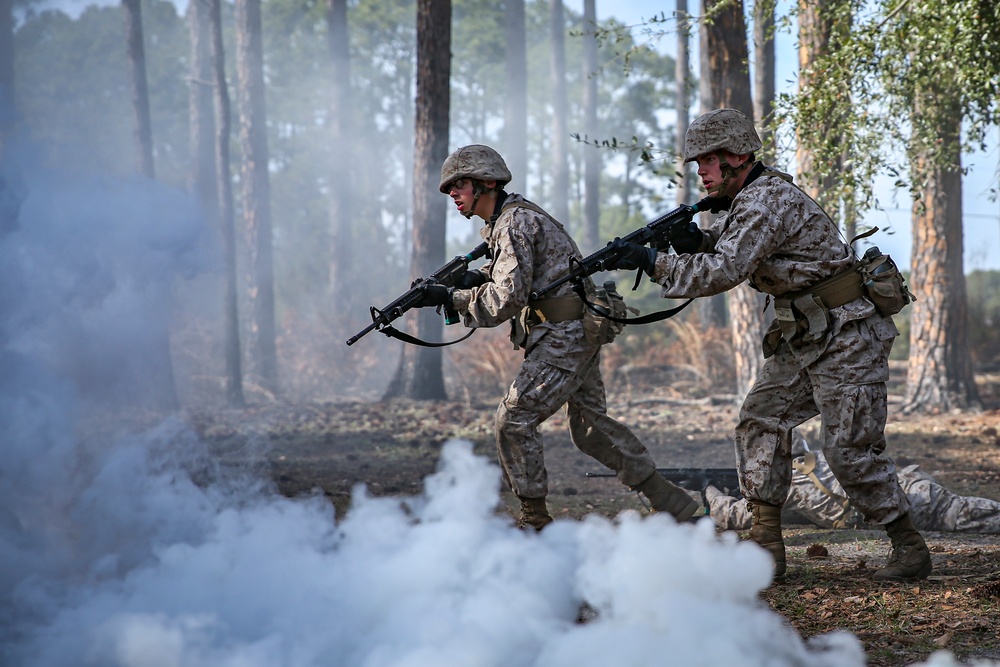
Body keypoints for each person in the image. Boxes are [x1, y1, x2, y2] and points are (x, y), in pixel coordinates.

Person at [600, 109, 932, 581]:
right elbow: (731, 248)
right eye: (697, 164)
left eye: (707, 161)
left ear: (737, 156)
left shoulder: (764, 200)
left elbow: (723, 270)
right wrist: (693, 239)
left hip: (849, 333)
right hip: (807, 333)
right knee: (761, 420)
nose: (701, 172)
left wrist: (654, 262)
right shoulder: (749, 201)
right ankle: (766, 546)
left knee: (848, 451)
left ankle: (908, 546)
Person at [413, 144, 699, 530]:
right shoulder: (511, 221)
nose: (452, 194)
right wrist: (473, 280)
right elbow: (525, 280)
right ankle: (668, 499)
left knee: (513, 420)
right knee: (590, 429)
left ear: (487, 183)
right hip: (573, 331)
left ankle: (535, 520)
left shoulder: (514, 223)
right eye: (449, 189)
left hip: (564, 336)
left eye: (459, 185)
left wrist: (452, 297)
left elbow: (506, 299)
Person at [706, 432, 1000, 533]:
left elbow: (734, 516)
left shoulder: (786, 485)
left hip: (908, 500)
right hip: (906, 485)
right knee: (970, 511)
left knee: (971, 517)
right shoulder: (813, 460)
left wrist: (709, 490)